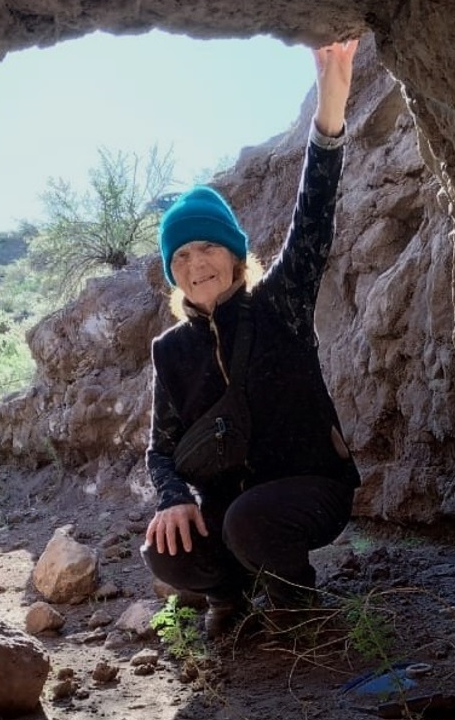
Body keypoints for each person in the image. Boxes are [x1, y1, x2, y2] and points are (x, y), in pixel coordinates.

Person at [141, 40, 361, 639]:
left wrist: (330, 109)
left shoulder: (281, 303)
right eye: (181, 255)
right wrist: (172, 499)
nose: (195, 264)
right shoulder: (171, 351)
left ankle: (295, 604)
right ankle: (229, 592)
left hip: (311, 490)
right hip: (231, 509)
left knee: (250, 520)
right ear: (173, 272)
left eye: (207, 247)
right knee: (165, 549)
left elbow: (314, 213)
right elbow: (161, 449)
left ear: (235, 256)